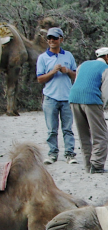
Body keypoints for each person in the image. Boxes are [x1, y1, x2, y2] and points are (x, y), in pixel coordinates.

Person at [68, 47, 108, 174]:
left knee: (84, 135)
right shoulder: (107, 70)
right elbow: (104, 93)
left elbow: (77, 81)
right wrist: (100, 108)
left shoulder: (83, 65)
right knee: (101, 135)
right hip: (91, 101)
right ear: (107, 57)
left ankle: (87, 165)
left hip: (74, 99)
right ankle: (97, 165)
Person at [35, 27, 77, 165]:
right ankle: (52, 154)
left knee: (68, 129)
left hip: (66, 97)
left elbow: (76, 75)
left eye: (55, 38)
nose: (52, 41)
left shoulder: (68, 56)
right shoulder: (43, 58)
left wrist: (67, 71)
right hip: (50, 98)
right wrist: (53, 71)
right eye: (49, 38)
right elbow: (40, 79)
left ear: (61, 39)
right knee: (52, 130)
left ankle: (70, 154)